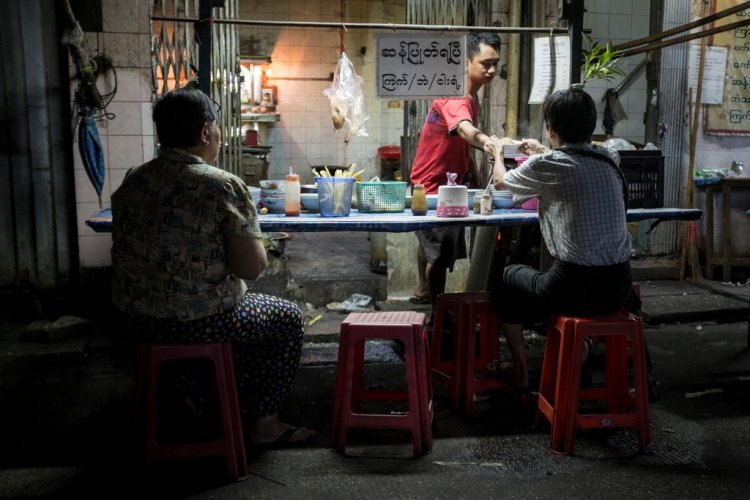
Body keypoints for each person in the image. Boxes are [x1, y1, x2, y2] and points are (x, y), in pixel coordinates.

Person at [111, 87, 314, 448]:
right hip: (204, 321)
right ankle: (264, 424)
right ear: (206, 132)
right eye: (217, 128)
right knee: (285, 317)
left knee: (223, 317)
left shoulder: (133, 180)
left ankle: (194, 400)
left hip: (137, 318)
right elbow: (251, 268)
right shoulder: (221, 185)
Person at [484, 87, 634, 389]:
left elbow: (501, 185)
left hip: (573, 288)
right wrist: (545, 149)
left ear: (551, 130)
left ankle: (521, 372)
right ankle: (579, 348)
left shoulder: (548, 165)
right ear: (590, 125)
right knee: (540, 285)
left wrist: (497, 153)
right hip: (619, 287)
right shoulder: (610, 157)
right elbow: (577, 156)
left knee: (504, 279)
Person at [409, 32, 504, 319]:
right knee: (440, 254)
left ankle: (423, 290)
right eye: (485, 63)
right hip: (435, 186)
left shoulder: (471, 95)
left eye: (495, 63)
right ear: (466, 61)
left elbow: (458, 140)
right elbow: (464, 130)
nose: (492, 70)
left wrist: (471, 170)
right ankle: (438, 317)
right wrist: (489, 142)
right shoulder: (456, 96)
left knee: (432, 246)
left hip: (445, 180)